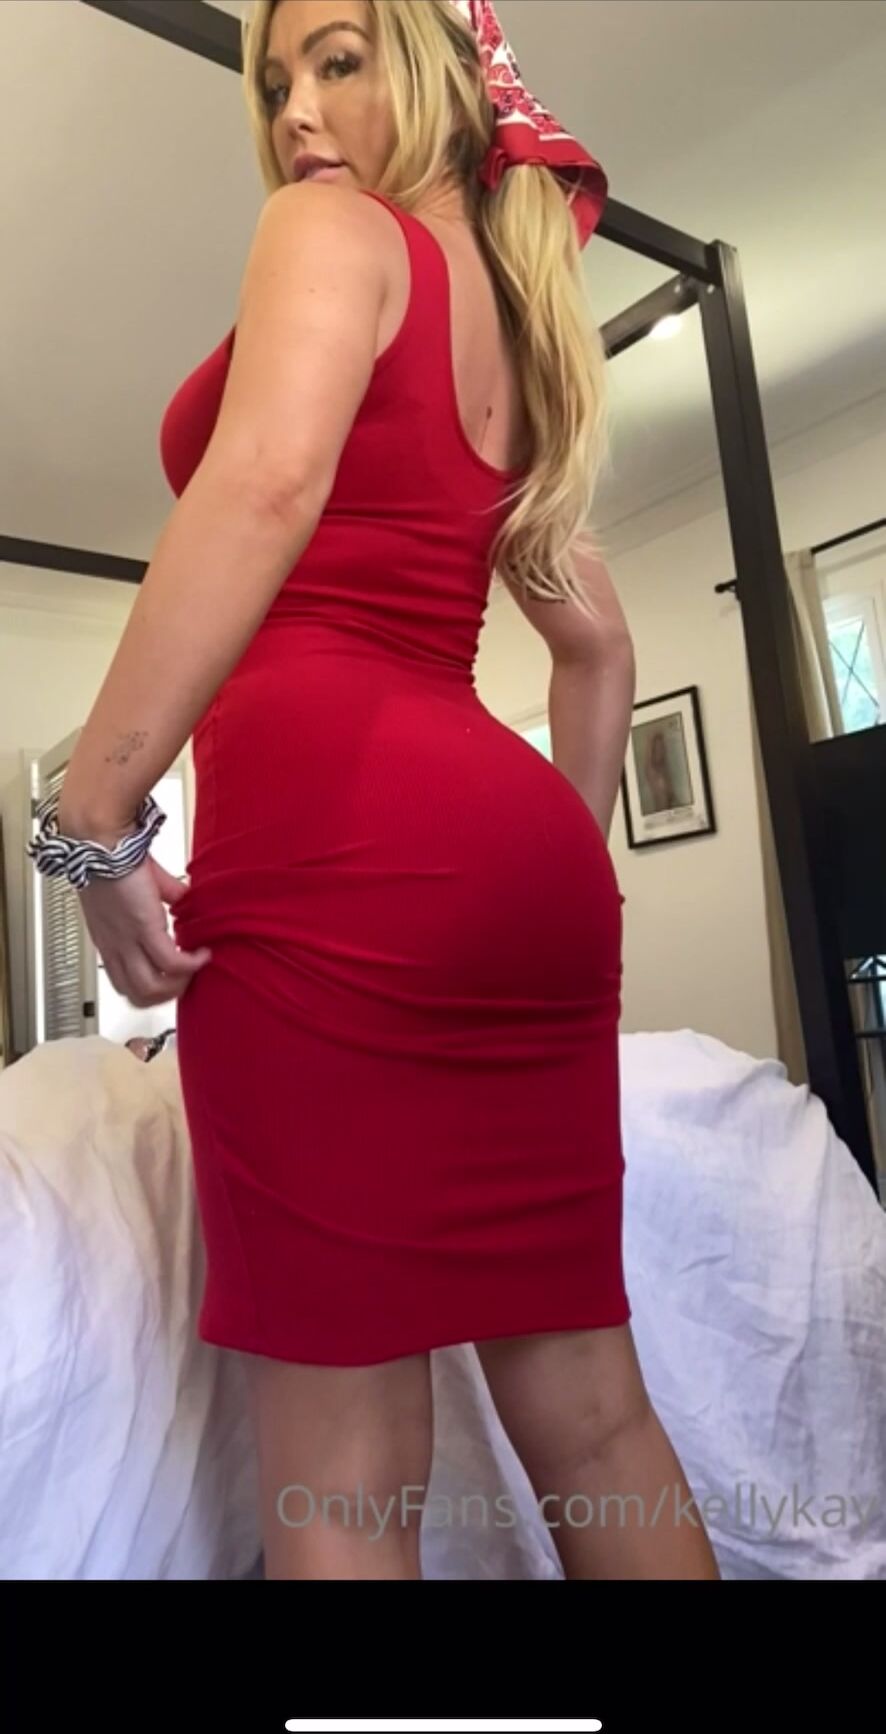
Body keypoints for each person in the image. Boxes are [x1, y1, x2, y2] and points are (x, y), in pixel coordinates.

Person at [28, 0, 720, 1581]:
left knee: (342, 1471)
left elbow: (263, 481)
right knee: (595, 1416)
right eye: (277, 80)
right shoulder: (517, 334)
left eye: (336, 59)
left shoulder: (330, 233)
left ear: (437, 72)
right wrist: (538, 882)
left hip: (342, 851)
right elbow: (597, 649)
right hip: (517, 855)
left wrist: (91, 823)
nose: (293, 112)